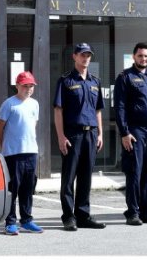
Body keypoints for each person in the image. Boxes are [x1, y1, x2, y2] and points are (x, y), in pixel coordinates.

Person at [53, 43, 106, 231]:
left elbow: (98, 110)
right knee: (69, 178)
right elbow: (58, 110)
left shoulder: (95, 81)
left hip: (90, 134)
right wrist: (60, 136)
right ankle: (68, 216)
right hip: (73, 134)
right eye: (82, 55)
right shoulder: (65, 81)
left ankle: (83, 215)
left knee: (86, 177)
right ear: (74, 57)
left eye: (88, 55)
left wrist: (100, 133)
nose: (86, 58)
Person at [113, 42, 147, 225]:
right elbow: (119, 107)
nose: (144, 59)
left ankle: (146, 211)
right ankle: (133, 212)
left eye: (146, 56)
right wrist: (124, 132)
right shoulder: (125, 77)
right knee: (134, 172)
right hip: (135, 130)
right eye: (140, 56)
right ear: (133, 57)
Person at [0, 71, 44, 235]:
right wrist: (4, 146)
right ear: (17, 86)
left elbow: (32, 125)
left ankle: (27, 220)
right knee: (13, 189)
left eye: (31, 86)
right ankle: (10, 222)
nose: (28, 89)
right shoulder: (9, 104)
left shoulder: (35, 104)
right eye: (25, 86)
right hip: (13, 153)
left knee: (27, 188)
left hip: (31, 151)